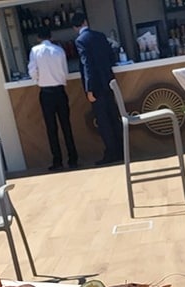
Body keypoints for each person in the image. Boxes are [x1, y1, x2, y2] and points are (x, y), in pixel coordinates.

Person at [72, 12, 123, 165]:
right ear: (86, 22)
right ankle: (121, 150)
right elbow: (110, 56)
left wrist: (89, 89)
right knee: (113, 118)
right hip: (108, 82)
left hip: (96, 87)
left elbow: (87, 65)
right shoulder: (100, 36)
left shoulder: (80, 41)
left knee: (103, 121)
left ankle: (111, 152)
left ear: (75, 27)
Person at [28, 26, 79, 171]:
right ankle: (73, 159)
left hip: (46, 92)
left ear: (38, 38)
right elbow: (65, 72)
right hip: (60, 91)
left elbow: (32, 71)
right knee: (66, 126)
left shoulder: (34, 51)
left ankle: (57, 160)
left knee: (51, 128)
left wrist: (38, 80)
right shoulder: (59, 50)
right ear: (51, 37)